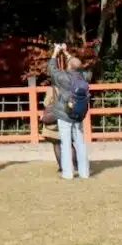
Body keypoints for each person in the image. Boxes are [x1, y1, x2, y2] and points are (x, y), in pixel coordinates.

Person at [48, 44, 90, 180]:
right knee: (80, 143)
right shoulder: (84, 76)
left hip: (65, 113)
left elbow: (52, 69)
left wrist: (55, 53)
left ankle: (68, 173)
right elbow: (77, 64)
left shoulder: (63, 77)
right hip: (79, 113)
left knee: (65, 143)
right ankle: (84, 173)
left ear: (69, 66)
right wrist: (66, 52)